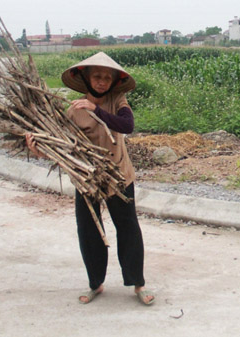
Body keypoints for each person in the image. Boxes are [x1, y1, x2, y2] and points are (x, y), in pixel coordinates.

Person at [26, 52, 154, 305]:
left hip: (119, 176)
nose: (102, 81)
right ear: (86, 78)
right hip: (87, 179)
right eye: (97, 76)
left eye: (107, 77)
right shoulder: (73, 111)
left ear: (115, 81)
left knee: (128, 228)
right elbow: (63, 147)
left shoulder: (118, 100)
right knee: (89, 231)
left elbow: (127, 126)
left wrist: (95, 109)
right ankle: (96, 284)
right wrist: (38, 150)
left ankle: (138, 284)